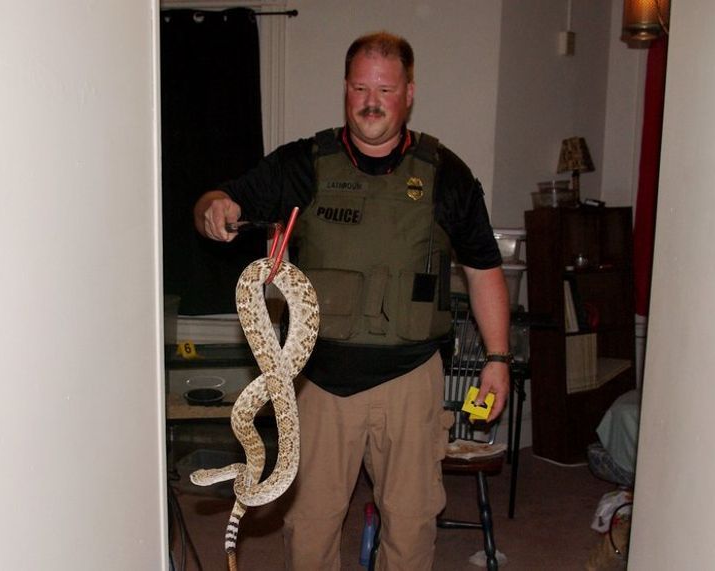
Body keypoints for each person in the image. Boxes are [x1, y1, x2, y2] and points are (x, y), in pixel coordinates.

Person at [193, 31, 510, 570]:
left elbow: (483, 269)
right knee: (310, 526)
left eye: (384, 90)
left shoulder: (445, 173)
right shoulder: (305, 163)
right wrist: (214, 210)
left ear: (409, 93)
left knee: (410, 528)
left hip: (409, 378)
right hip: (318, 382)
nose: (371, 101)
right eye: (360, 87)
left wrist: (498, 361)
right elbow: (219, 199)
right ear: (345, 89)